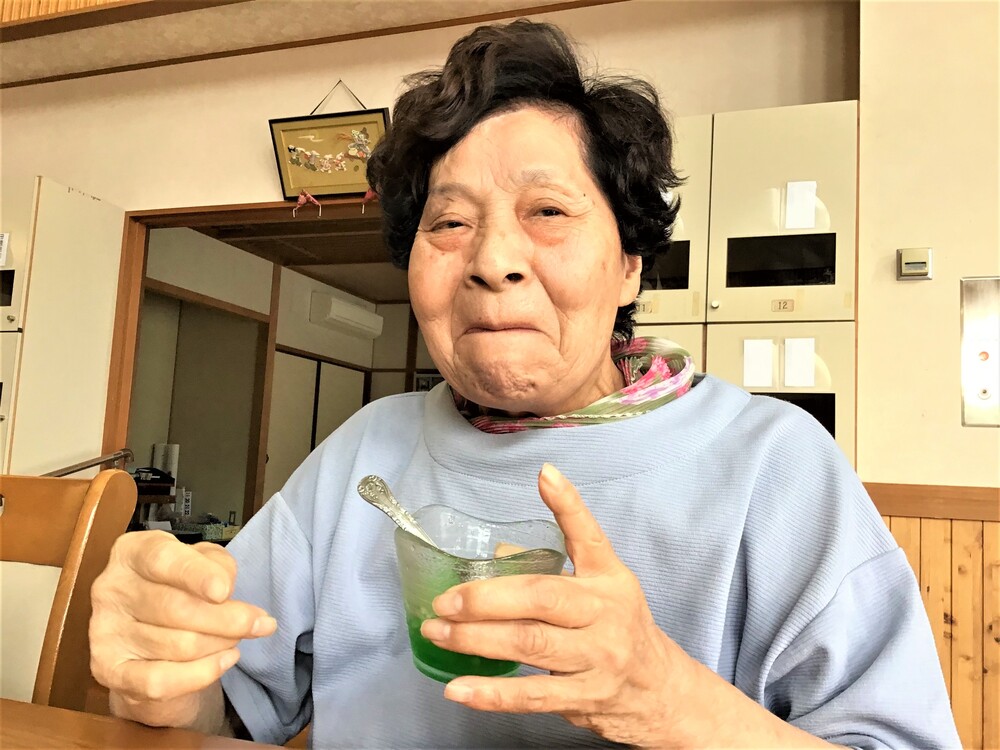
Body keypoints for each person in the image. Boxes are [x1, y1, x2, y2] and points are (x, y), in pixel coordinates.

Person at [89, 20, 960, 749]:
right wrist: (164, 677)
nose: (493, 260)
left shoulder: (775, 466)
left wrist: (669, 697)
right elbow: (228, 712)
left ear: (630, 263)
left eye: (546, 211)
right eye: (449, 222)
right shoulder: (364, 449)